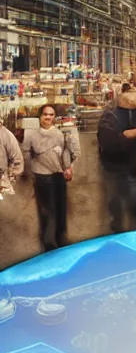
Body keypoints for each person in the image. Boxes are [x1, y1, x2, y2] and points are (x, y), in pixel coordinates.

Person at [23, 104, 80, 251]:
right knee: (48, 211)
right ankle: (49, 243)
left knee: (61, 208)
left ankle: (61, 239)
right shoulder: (32, 135)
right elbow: (26, 154)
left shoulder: (60, 134)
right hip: (42, 177)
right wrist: (32, 171)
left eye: (51, 114)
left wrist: (68, 167)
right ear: (40, 116)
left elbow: (65, 153)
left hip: (58, 175)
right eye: (45, 114)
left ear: (54, 117)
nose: (48, 117)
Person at [97, 86, 136, 233]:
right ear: (125, 100)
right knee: (117, 205)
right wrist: (135, 132)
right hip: (115, 168)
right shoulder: (110, 116)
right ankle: (120, 234)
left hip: (134, 166)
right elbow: (109, 141)